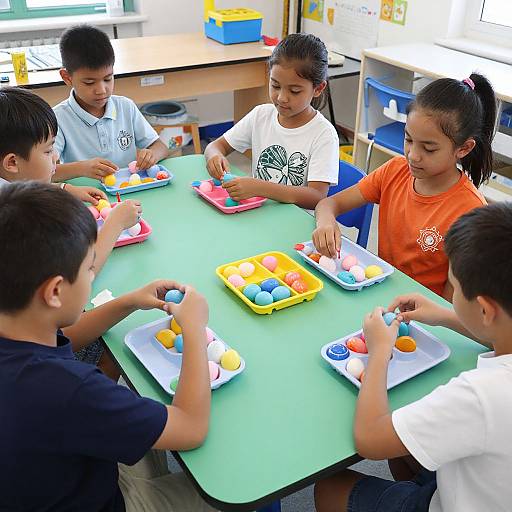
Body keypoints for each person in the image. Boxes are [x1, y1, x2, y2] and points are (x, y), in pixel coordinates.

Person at [0, 181, 214, 512]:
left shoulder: (18, 328)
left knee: (141, 411)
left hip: (50, 477)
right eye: (89, 269)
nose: (92, 275)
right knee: (233, 497)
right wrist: (195, 329)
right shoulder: (72, 388)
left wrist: (129, 301)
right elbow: (191, 427)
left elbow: (64, 337)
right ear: (54, 291)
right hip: (102, 501)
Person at [314, 203, 512, 512]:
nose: (451, 294)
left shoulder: (478, 395)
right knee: (406, 451)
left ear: (485, 310)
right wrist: (445, 316)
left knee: (329, 488)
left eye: (454, 289)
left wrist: (379, 352)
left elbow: (370, 440)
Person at [313, 73, 496, 299]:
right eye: (409, 140)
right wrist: (326, 222)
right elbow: (328, 203)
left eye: (429, 149)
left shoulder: (470, 211)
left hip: (422, 317)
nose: (413, 156)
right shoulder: (394, 171)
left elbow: (453, 302)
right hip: (379, 295)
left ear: (464, 148)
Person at [204, 33, 339, 209]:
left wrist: (260, 187)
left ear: (318, 88)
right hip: (259, 216)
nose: (282, 98)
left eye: (295, 91)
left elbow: (317, 197)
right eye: (275, 85)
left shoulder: (323, 135)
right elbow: (216, 146)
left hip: (295, 226)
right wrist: (215, 156)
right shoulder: (261, 115)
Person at [53, 24, 169, 181]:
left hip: (129, 192)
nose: (102, 90)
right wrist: (82, 168)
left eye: (108, 79)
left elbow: (161, 147)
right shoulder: (57, 119)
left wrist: (151, 155)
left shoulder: (125, 107)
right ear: (67, 77)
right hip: (87, 197)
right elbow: (45, 172)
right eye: (89, 82)